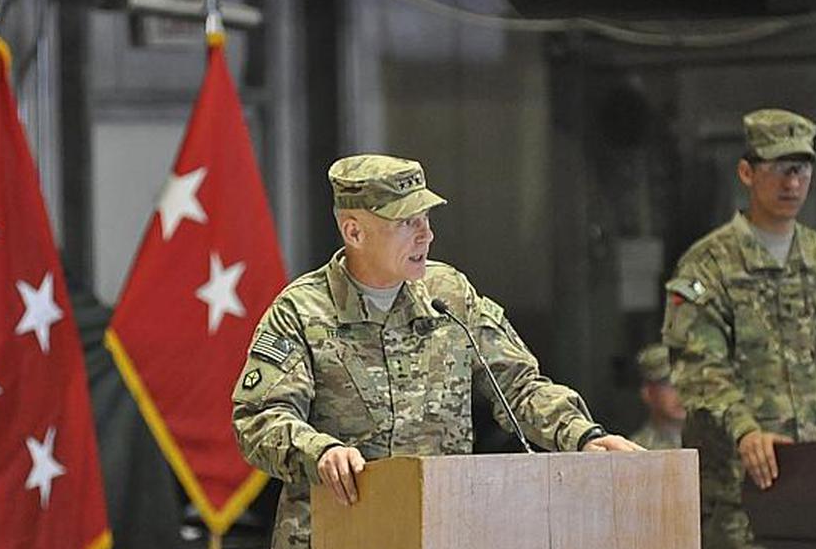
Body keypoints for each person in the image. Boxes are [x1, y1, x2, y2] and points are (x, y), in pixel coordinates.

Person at [232, 154, 643, 549]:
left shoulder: (449, 294)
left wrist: (583, 437)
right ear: (354, 232)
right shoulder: (302, 311)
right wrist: (320, 452)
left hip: (442, 528)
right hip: (335, 531)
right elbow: (259, 418)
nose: (426, 234)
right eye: (406, 221)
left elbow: (519, 387)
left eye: (426, 217)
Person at [661, 108, 816, 549]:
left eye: (801, 169)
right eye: (777, 169)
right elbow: (698, 367)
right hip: (742, 490)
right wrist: (745, 429)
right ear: (746, 172)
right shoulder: (709, 262)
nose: (792, 183)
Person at [629, 343, 685, 450]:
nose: (681, 392)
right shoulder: (637, 450)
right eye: (670, 385)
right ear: (648, 393)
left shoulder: (717, 441)